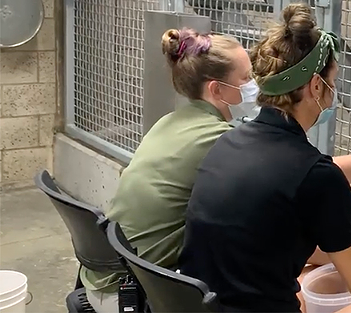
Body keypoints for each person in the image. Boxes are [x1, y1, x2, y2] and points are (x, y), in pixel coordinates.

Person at [178, 3, 351, 313]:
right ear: (316, 86)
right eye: (332, 82)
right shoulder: (317, 175)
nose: (332, 91)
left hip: (197, 306)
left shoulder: (226, 143)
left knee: (308, 277)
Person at [82, 27, 256, 313]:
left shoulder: (168, 122)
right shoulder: (216, 138)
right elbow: (290, 177)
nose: (253, 85)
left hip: (106, 275)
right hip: (133, 294)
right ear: (216, 89)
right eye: (246, 78)